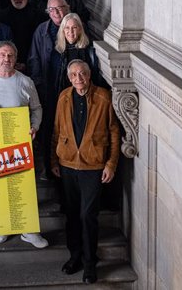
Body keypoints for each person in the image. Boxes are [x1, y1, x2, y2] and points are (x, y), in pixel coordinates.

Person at [51, 59, 120, 284]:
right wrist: (54, 160)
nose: (78, 78)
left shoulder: (103, 97)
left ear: (89, 75)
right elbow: (56, 130)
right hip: (68, 164)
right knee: (72, 215)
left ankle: (90, 263)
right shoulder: (63, 97)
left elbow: (113, 132)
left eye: (82, 74)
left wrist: (111, 164)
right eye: (74, 75)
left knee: (87, 215)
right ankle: (75, 257)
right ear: (69, 78)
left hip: (93, 166)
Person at [0, 41, 47, 247]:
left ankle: (29, 230)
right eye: (3, 55)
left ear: (16, 59)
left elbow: (37, 108)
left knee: (24, 187)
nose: (7, 59)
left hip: (20, 142)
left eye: (11, 55)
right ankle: (2, 226)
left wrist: (35, 127)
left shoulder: (26, 81)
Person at [27, 0, 70, 175]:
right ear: (48, 12)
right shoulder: (41, 30)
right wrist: (38, 84)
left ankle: (65, 167)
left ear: (67, 8)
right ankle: (48, 167)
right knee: (47, 129)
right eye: (52, 9)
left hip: (67, 88)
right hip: (47, 89)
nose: (57, 12)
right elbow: (34, 59)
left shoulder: (72, 26)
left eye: (60, 8)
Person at [0, 0, 44, 71]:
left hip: (34, 64)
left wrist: (26, 63)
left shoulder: (39, 16)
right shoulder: (1, 17)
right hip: (8, 64)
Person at [55, 13, 103, 92]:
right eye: (67, 28)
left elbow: (94, 78)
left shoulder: (88, 52)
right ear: (62, 30)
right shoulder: (57, 51)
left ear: (80, 29)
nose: (70, 31)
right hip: (62, 96)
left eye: (74, 27)